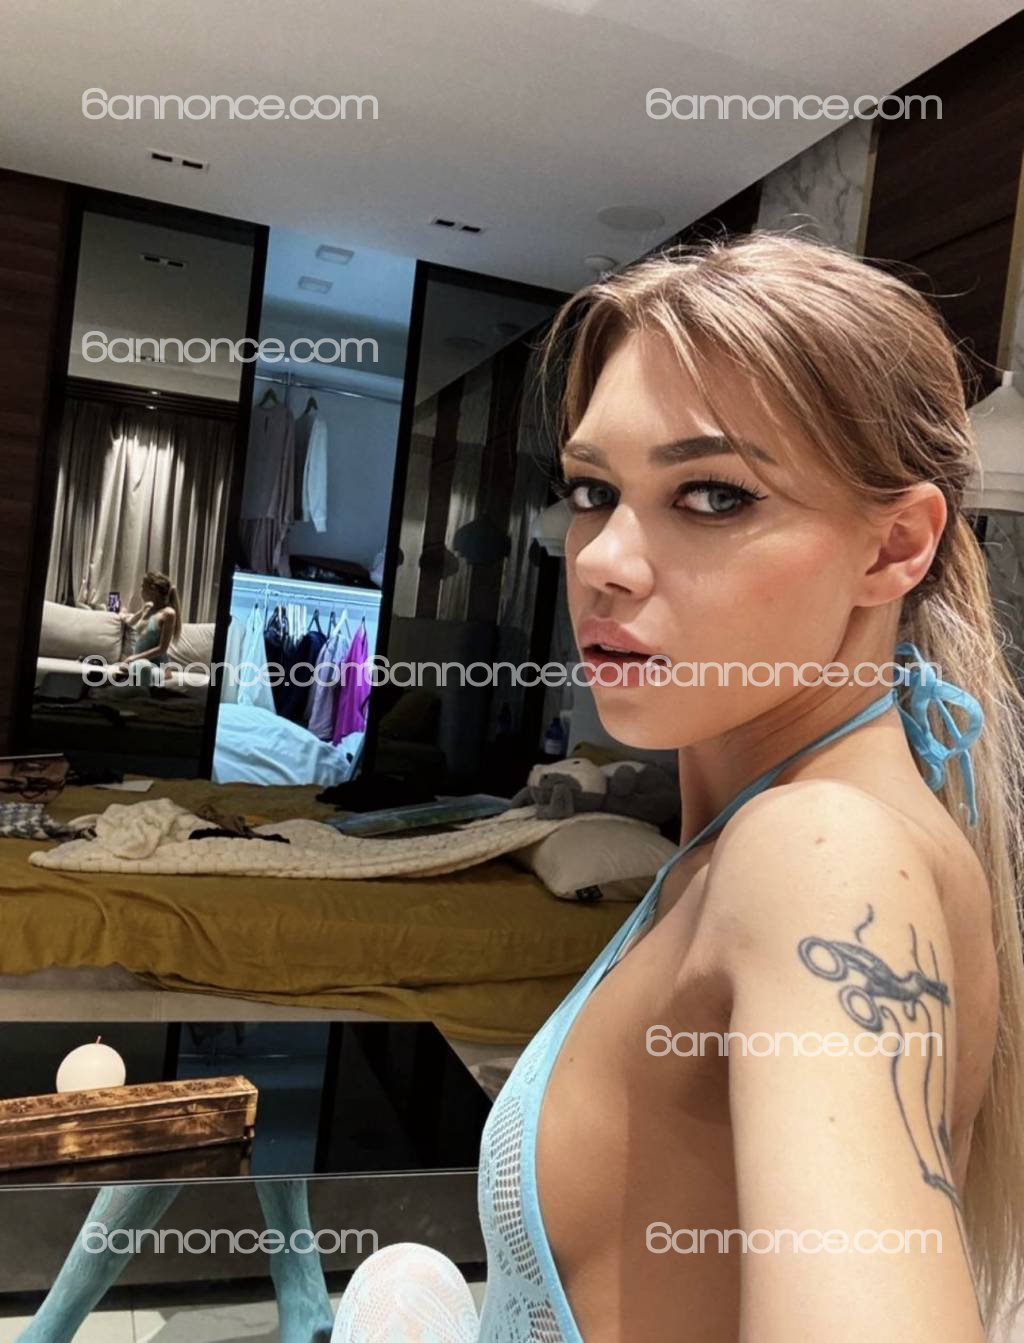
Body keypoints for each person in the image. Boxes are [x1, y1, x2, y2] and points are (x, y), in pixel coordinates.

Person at [328, 232, 1024, 1341]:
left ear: (893, 547)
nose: (600, 558)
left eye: (712, 495)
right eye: (594, 489)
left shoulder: (821, 853)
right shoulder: (768, 826)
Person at [118, 570, 182, 682]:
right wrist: (122, 614)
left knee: (143, 668)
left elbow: (162, 649)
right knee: (132, 668)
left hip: (157, 665)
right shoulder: (147, 608)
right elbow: (130, 622)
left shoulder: (168, 613)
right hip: (138, 662)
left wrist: (133, 658)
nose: (140, 590)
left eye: (143, 587)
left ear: (153, 590)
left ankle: (145, 687)